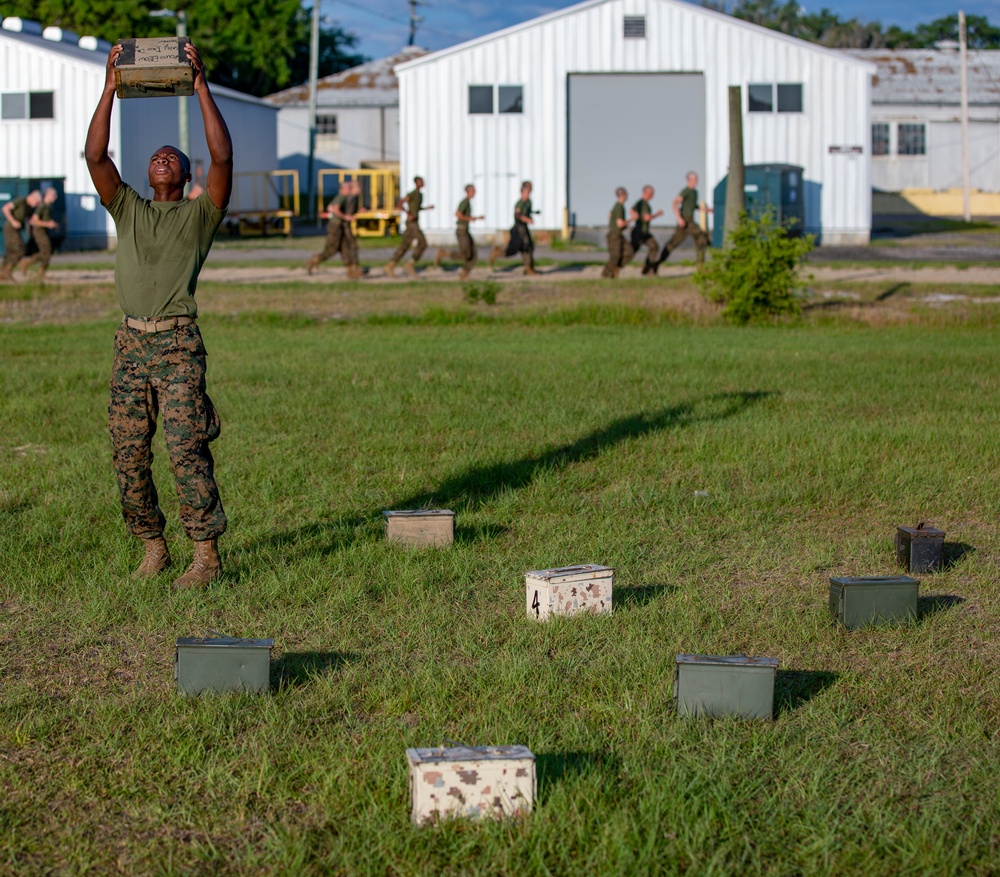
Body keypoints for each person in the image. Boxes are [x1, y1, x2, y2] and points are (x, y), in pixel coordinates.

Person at [85, 41, 233, 590]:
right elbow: (96, 157)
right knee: (128, 454)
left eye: (174, 155)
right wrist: (110, 89)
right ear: (147, 174)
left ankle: (206, 557)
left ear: (187, 175)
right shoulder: (128, 207)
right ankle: (153, 547)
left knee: (185, 449)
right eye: (156, 155)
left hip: (176, 346)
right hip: (130, 345)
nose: (162, 156)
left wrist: (199, 86)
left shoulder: (200, 215)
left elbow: (223, 158)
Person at [306, 179, 360, 278]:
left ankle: (351, 271)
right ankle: (314, 261)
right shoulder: (341, 196)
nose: (350, 189)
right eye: (349, 187)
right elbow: (335, 209)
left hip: (339, 226)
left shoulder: (344, 197)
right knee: (332, 249)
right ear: (344, 188)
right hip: (335, 226)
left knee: (345, 249)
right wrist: (345, 217)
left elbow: (331, 207)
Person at [658, 171, 712, 268]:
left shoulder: (694, 192)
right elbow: (675, 203)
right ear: (690, 180)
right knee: (674, 243)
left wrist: (706, 210)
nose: (697, 181)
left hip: (690, 221)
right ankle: (656, 263)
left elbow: (693, 206)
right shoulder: (686, 191)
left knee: (701, 239)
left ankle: (700, 266)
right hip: (684, 220)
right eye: (695, 179)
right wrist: (679, 218)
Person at [385, 176, 433, 277]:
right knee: (423, 243)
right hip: (412, 223)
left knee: (404, 246)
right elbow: (400, 203)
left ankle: (390, 265)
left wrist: (426, 208)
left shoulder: (420, 195)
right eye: (420, 181)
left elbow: (416, 207)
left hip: (414, 222)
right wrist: (408, 214)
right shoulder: (412, 194)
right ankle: (410, 264)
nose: (422, 183)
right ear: (416, 183)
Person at [435, 184, 484, 279]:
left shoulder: (468, 202)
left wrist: (476, 218)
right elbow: (458, 214)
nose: (475, 192)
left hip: (466, 230)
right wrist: (469, 219)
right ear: (468, 191)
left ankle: (464, 274)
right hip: (461, 231)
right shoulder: (464, 202)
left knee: (473, 254)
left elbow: (465, 216)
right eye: (473, 190)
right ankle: (444, 253)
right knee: (466, 254)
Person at [490, 181, 537, 275]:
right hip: (518, 228)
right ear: (522, 192)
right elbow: (518, 215)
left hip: (524, 227)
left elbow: (527, 212)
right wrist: (527, 219)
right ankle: (498, 252)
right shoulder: (519, 203)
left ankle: (528, 268)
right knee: (514, 249)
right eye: (527, 191)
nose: (529, 193)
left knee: (528, 247)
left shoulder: (528, 202)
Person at [1, 189, 41, 281]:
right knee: (19, 249)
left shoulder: (28, 207)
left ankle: (3, 272)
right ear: (32, 198)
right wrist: (13, 221)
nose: (36, 204)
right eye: (36, 202)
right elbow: (5, 208)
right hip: (10, 228)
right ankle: (7, 271)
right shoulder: (21, 201)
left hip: (16, 229)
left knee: (11, 251)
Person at [21, 188, 60, 280]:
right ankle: (28, 263)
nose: (55, 198)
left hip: (44, 231)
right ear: (48, 195)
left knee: (47, 251)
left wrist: (53, 224)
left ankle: (40, 272)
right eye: (54, 195)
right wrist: (48, 224)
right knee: (46, 251)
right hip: (39, 231)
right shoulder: (42, 206)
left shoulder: (48, 206)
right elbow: (33, 221)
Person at [629, 185, 663, 275]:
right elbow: (646, 218)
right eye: (651, 193)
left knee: (654, 247)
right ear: (647, 193)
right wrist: (657, 214)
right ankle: (613, 268)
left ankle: (647, 269)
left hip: (643, 232)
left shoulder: (641, 203)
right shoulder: (643, 203)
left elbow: (631, 210)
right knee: (630, 252)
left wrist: (635, 215)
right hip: (640, 232)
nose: (652, 195)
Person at [601, 187, 634, 279]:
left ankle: (616, 268)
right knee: (615, 256)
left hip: (618, 234)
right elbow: (620, 224)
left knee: (629, 252)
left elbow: (612, 216)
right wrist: (632, 219)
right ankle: (605, 274)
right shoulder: (619, 207)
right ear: (623, 195)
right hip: (614, 235)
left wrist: (627, 226)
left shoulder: (618, 206)